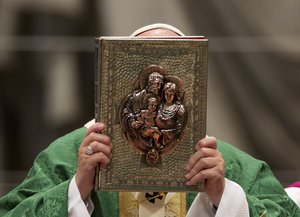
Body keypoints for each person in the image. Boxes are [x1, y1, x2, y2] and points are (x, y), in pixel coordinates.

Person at [0, 23, 300, 217]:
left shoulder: (223, 163)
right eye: (150, 81)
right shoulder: (70, 155)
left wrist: (226, 196)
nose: (157, 89)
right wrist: (75, 189)